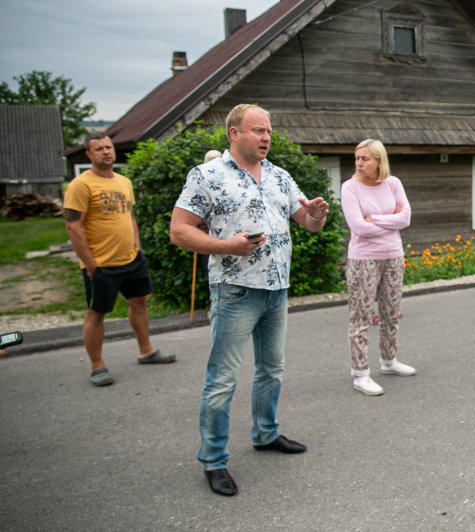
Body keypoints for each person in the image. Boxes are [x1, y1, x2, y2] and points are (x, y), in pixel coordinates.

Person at [169, 104, 330, 496]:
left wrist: (317, 215)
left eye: (269, 131)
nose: (266, 138)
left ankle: (265, 433)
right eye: (258, 130)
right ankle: (213, 460)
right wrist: (226, 246)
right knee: (222, 380)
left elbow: (305, 221)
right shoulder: (207, 176)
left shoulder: (279, 175)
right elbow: (179, 231)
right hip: (236, 290)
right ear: (234, 134)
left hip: (277, 288)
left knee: (272, 369)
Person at [64, 131, 175, 387]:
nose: (106, 152)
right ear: (89, 154)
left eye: (108, 147)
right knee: (97, 314)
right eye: (99, 148)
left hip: (132, 260)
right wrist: (90, 264)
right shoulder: (81, 185)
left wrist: (137, 245)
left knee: (139, 304)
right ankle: (97, 366)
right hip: (101, 264)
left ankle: (146, 350)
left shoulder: (124, 182)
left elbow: (129, 216)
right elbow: (73, 227)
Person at [341, 139, 416, 396]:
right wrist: (390, 221)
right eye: (357, 158)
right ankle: (360, 374)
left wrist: (378, 219)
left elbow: (405, 218)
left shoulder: (393, 183)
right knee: (361, 317)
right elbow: (358, 227)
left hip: (393, 256)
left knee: (390, 313)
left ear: (378, 161)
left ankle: (389, 361)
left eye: (365, 159)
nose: (359, 163)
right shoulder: (350, 188)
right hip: (363, 260)